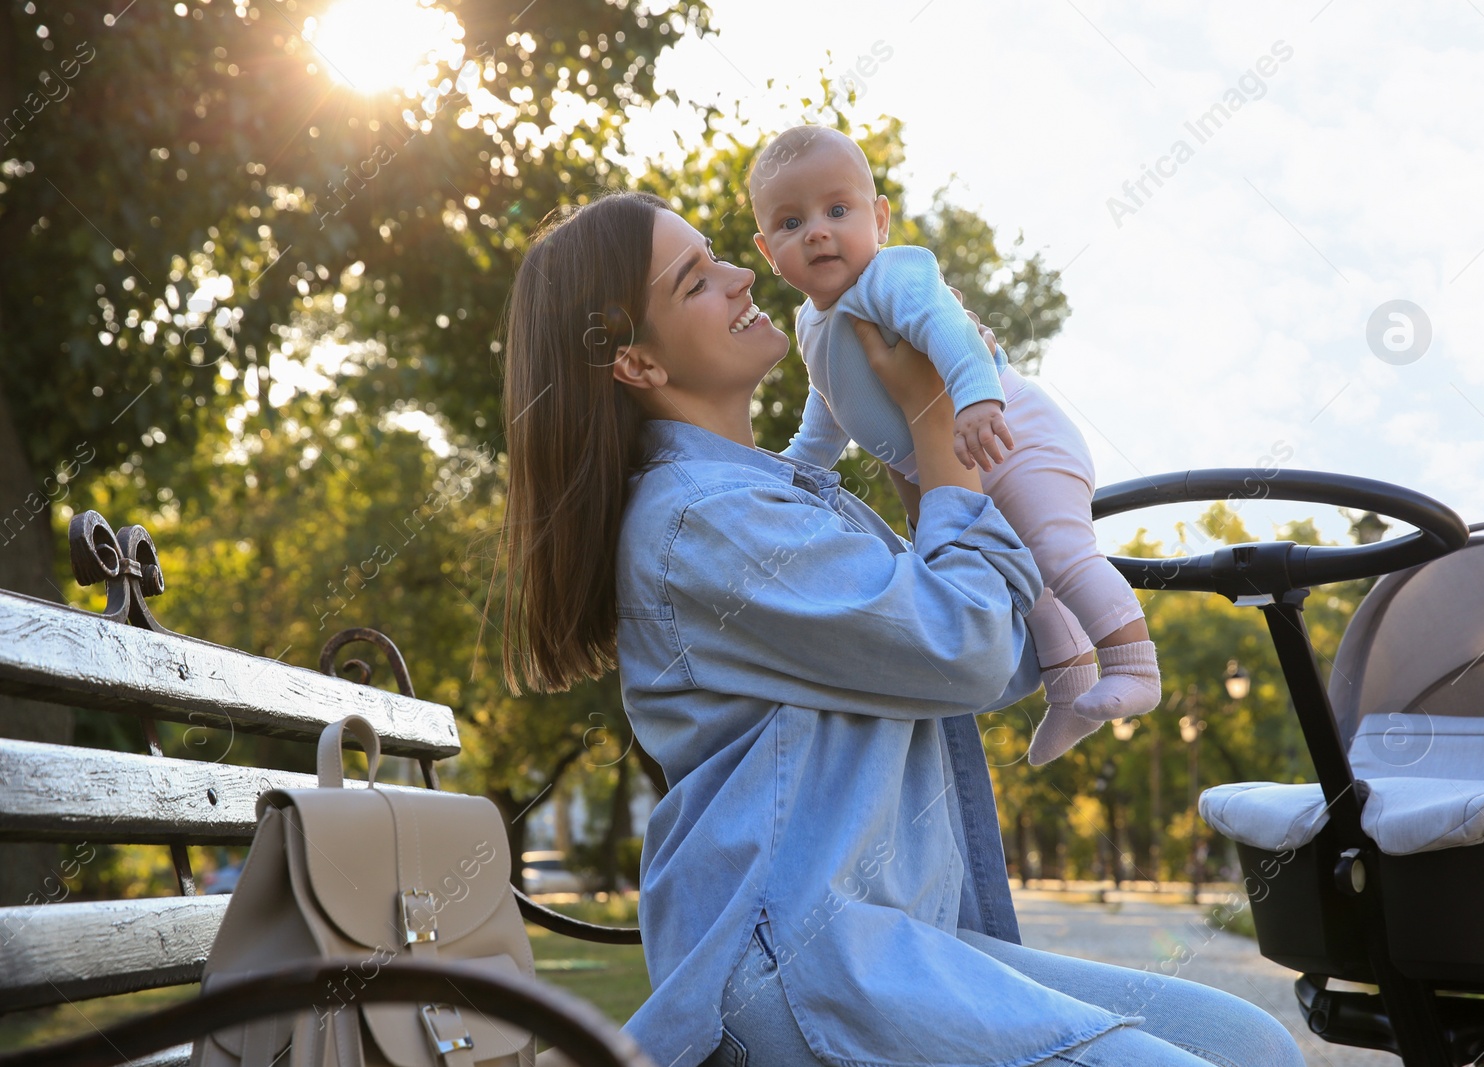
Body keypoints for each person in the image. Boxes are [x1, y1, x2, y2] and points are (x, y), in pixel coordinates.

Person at [498, 190, 1305, 1067]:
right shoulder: (705, 520)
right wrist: (933, 421)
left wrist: (1007, 485)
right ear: (636, 364)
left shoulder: (781, 495)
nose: (740, 276)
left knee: (1254, 1041)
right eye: (696, 280)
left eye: (718, 255)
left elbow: (988, 659)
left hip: (886, 939)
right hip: (803, 960)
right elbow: (963, 649)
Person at [748, 126, 1161, 765]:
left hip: (1011, 434)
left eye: (837, 211)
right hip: (959, 466)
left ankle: (1134, 665)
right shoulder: (811, 322)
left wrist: (975, 398)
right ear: (767, 251)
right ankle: (1071, 685)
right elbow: (827, 407)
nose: (817, 232)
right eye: (790, 221)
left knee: (1058, 551)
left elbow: (947, 328)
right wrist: (797, 471)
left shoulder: (891, 276)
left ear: (878, 218)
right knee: (1029, 581)